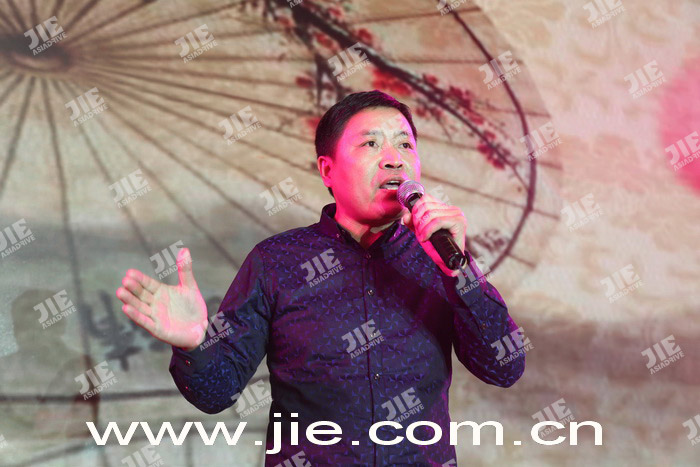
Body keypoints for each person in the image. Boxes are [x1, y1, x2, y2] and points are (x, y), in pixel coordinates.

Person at [116, 90, 525, 466]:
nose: (394, 159)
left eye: (405, 145)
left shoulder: (439, 258)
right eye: (370, 144)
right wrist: (194, 344)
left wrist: (460, 271)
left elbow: (504, 368)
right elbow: (215, 393)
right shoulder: (277, 262)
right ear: (327, 170)